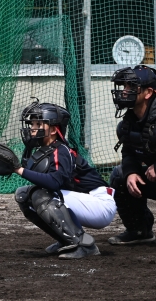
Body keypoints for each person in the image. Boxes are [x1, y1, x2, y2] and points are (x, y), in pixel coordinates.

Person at [13, 100, 117, 259]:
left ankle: (84, 244)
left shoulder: (61, 150)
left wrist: (18, 170)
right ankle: (65, 240)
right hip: (85, 200)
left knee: (42, 194)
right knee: (24, 195)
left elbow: (54, 182)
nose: (32, 128)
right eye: (32, 123)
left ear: (54, 130)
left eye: (38, 124)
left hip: (99, 203)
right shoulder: (44, 150)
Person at [107, 64, 156, 245]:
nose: (125, 91)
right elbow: (128, 152)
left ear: (148, 92)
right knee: (120, 175)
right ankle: (139, 230)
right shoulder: (129, 120)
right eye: (124, 86)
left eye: (132, 86)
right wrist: (131, 172)